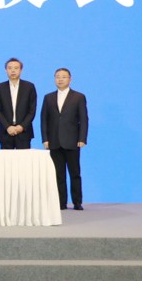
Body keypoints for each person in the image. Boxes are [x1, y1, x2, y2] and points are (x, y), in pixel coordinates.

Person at [41, 68, 89, 211]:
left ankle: (77, 202)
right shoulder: (48, 97)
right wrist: (45, 138)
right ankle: (61, 203)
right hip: (54, 141)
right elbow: (44, 120)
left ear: (70, 79)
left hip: (73, 141)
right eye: (57, 77)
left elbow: (84, 119)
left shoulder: (78, 97)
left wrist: (82, 138)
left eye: (63, 77)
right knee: (58, 174)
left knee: (75, 173)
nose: (60, 79)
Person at [0, 57, 37, 150]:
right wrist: (8, 127)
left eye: (16, 68)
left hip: (24, 133)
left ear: (21, 70)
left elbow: (32, 110)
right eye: (10, 68)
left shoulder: (29, 87)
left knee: (24, 159)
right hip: (5, 132)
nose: (13, 71)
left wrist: (21, 126)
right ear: (6, 70)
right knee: (5, 159)